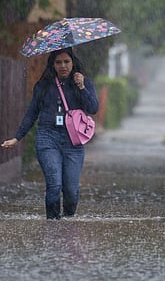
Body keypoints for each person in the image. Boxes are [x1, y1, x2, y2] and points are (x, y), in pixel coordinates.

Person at [1, 48, 99, 220]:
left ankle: (67, 223)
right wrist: (17, 137)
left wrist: (82, 87)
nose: (63, 66)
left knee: (71, 190)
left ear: (73, 63)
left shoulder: (83, 83)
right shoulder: (44, 85)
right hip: (48, 137)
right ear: (53, 65)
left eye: (67, 62)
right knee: (54, 185)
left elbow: (93, 108)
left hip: (73, 142)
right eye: (58, 62)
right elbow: (32, 113)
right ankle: (52, 226)